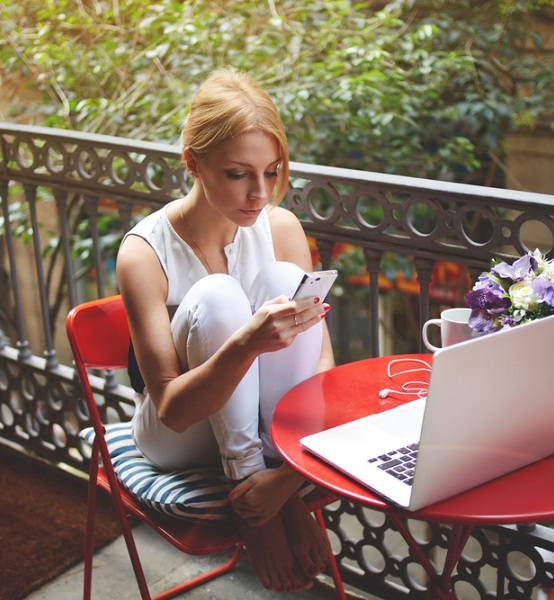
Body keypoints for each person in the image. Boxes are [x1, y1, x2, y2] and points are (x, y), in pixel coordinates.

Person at [115, 68, 335, 593]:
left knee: (284, 279)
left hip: (270, 431)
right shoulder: (143, 252)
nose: (260, 194)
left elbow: (321, 364)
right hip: (179, 434)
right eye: (238, 173)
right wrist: (247, 342)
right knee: (219, 296)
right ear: (193, 162)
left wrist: (292, 476)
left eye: (272, 171)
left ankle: (273, 482)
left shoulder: (280, 228)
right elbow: (171, 407)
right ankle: (250, 503)